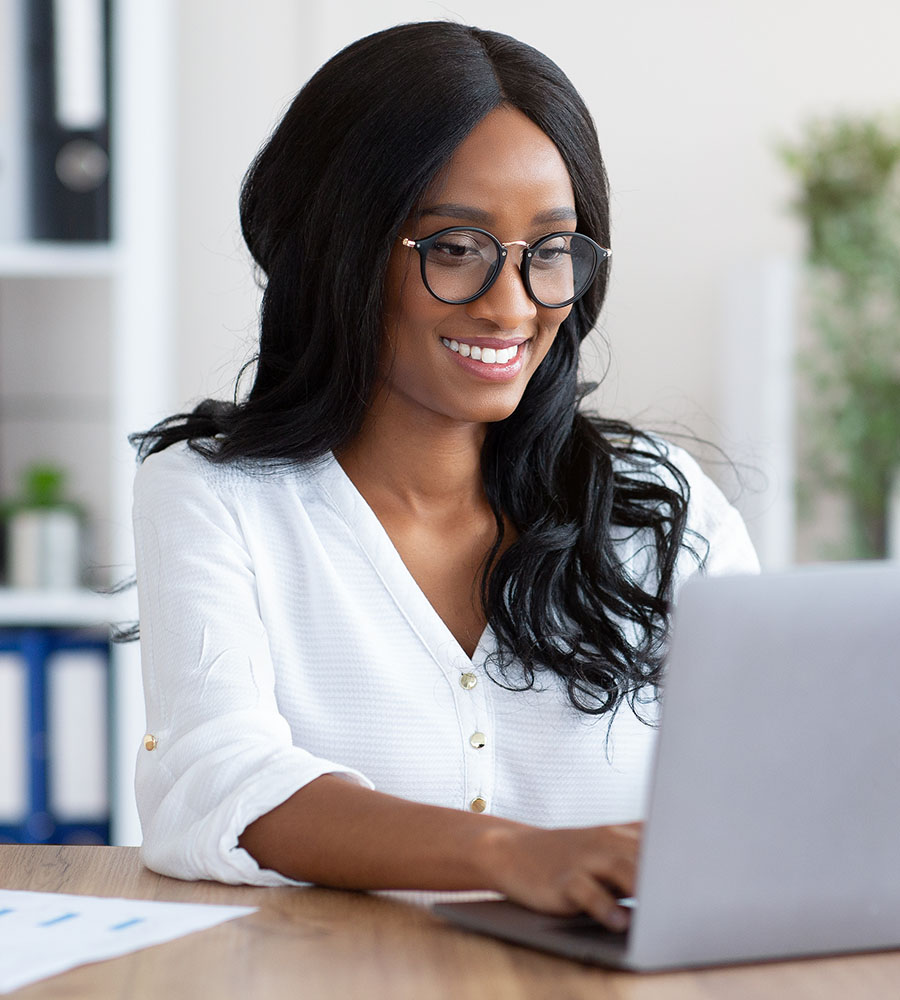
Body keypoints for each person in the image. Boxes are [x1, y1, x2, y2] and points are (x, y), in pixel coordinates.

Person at [130, 21, 758, 933]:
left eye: (550, 251)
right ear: (339, 250)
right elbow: (214, 782)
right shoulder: (216, 497)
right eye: (455, 247)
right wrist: (513, 854)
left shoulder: (662, 506)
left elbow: (780, 782)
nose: (513, 305)